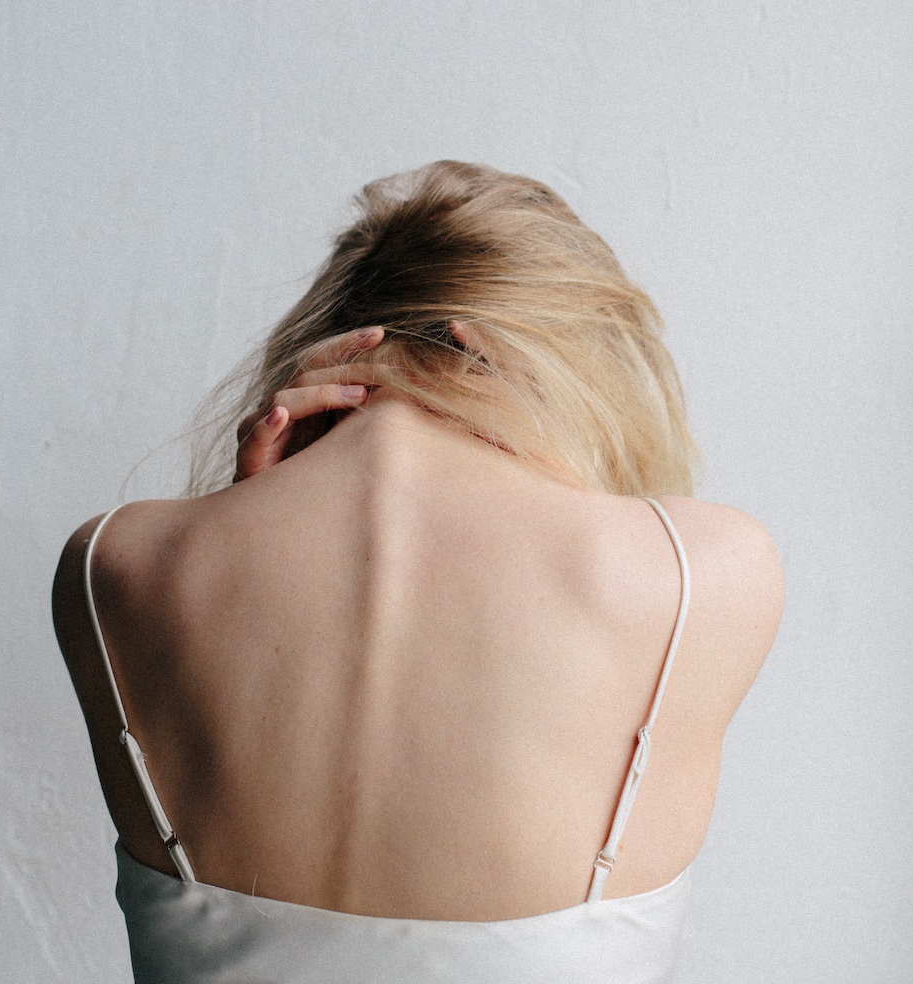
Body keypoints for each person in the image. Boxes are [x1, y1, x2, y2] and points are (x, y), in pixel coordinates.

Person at [52, 161, 784, 983]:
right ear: (564, 361)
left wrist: (241, 518)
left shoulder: (114, 565)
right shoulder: (702, 571)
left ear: (330, 341)